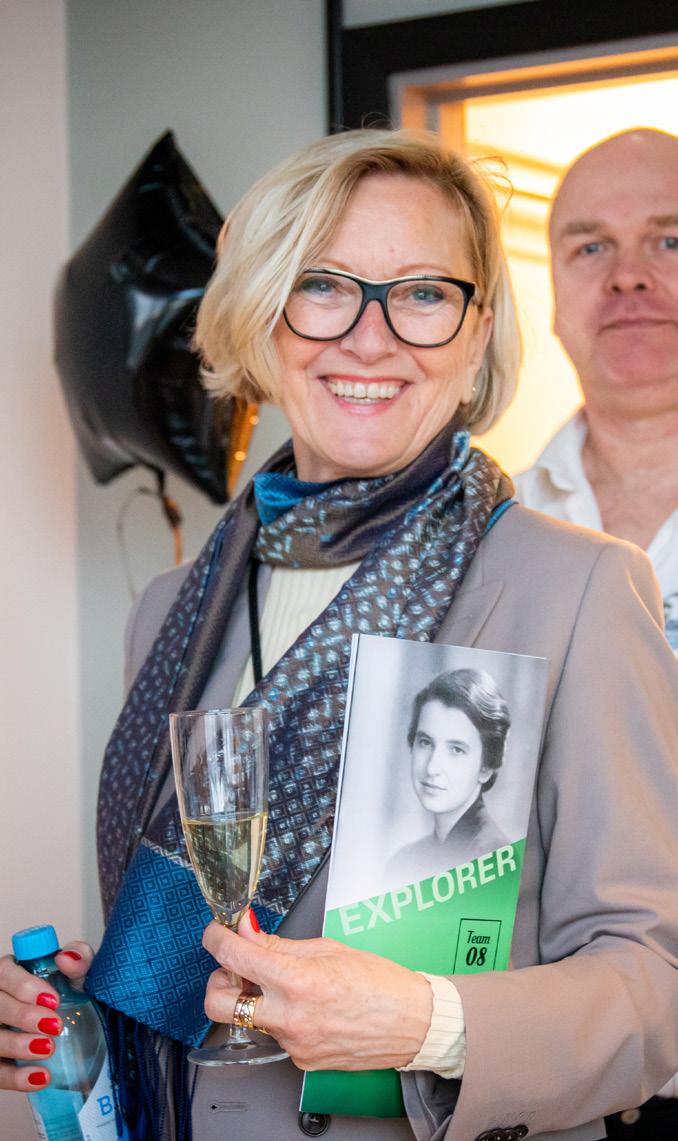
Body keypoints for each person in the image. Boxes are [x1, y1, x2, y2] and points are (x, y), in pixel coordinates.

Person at [1, 128, 677, 1141]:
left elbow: (655, 988)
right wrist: (83, 1004)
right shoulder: (173, 609)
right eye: (323, 286)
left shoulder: (574, 587)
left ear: (476, 333)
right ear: (261, 316)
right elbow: (214, 933)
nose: (371, 338)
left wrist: (428, 1022)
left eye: (423, 293)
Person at [514, 127, 678, 1138]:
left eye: (671, 240)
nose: (627, 277)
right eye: (590, 246)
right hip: (550, 1083)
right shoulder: (483, 532)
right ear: (553, 296)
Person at [386, 668, 510, 884]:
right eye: (425, 742)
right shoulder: (403, 862)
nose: (432, 768)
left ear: (486, 767)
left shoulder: (494, 865)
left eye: (456, 750)